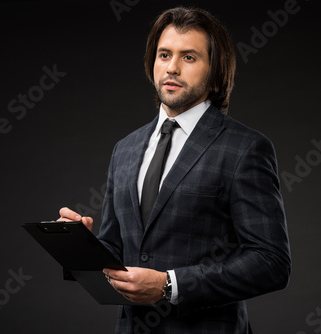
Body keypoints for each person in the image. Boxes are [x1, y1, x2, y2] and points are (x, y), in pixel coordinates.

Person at [59, 6, 291, 334]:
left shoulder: (245, 148)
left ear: (215, 71)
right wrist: (78, 246)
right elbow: (118, 252)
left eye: (189, 57)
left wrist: (171, 285)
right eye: (164, 54)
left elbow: (271, 264)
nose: (172, 67)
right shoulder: (124, 149)